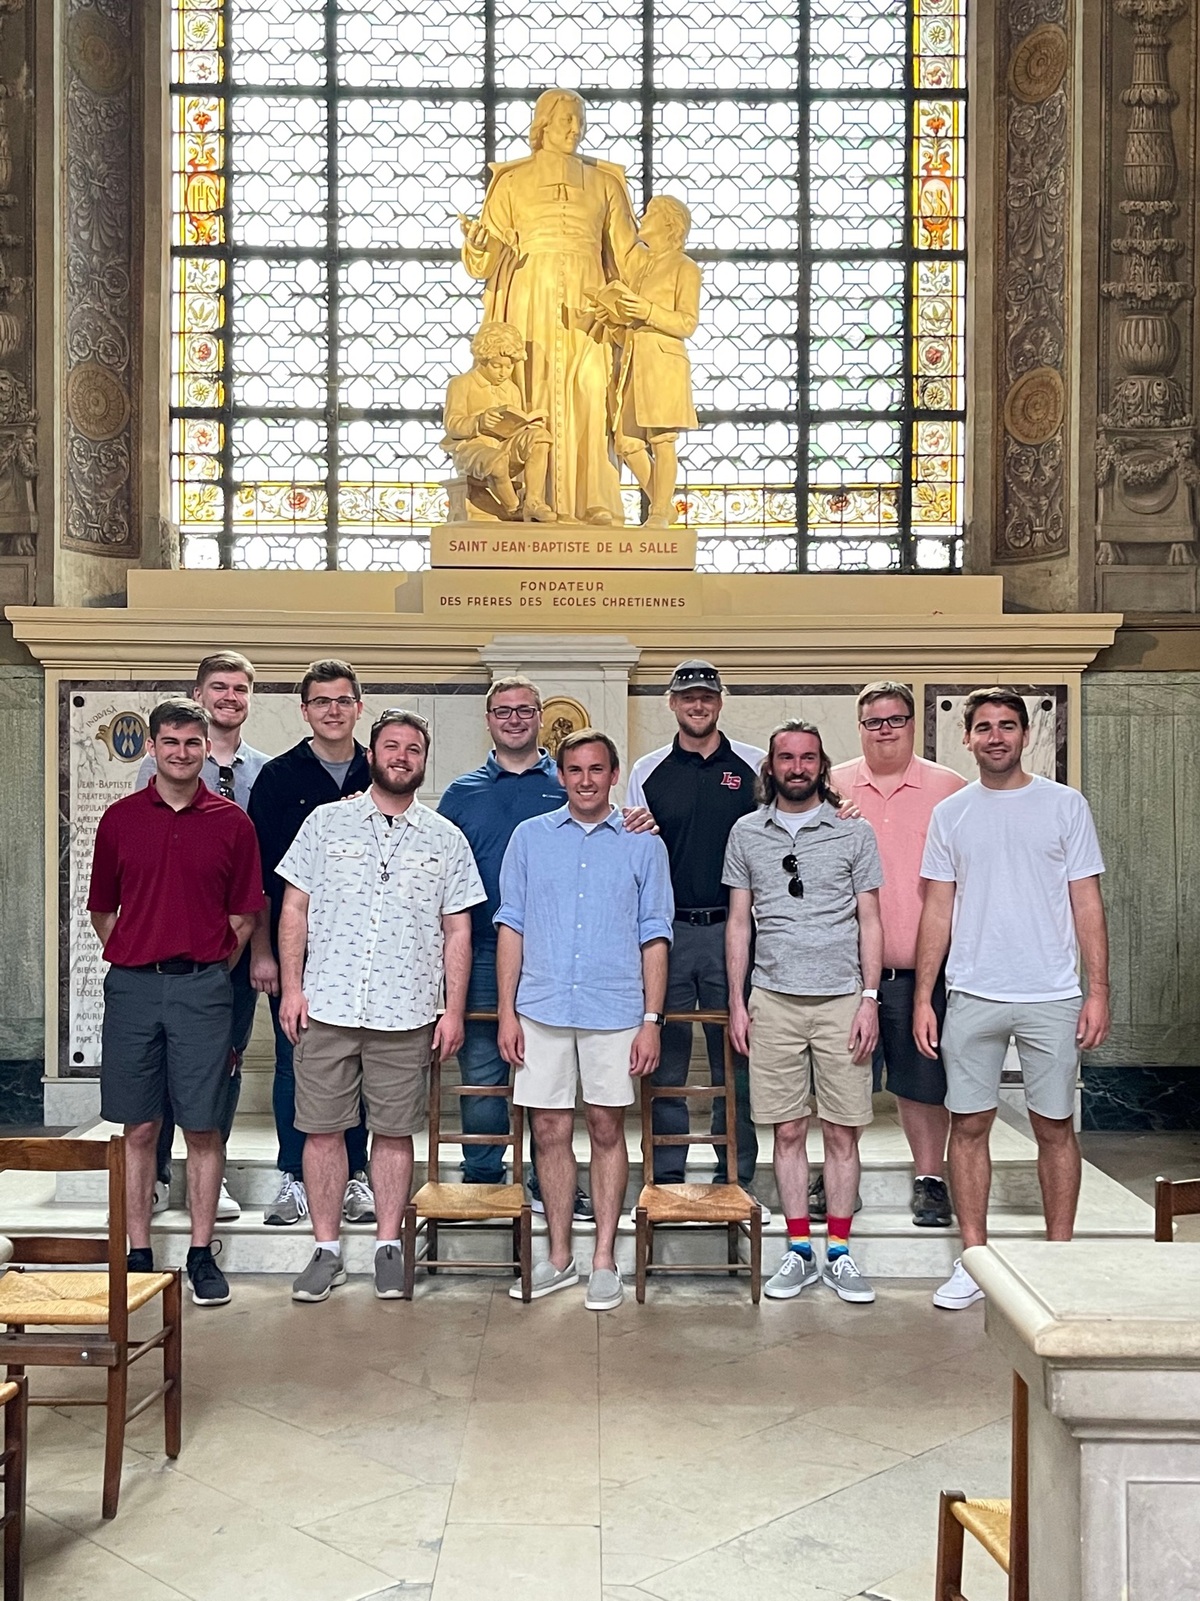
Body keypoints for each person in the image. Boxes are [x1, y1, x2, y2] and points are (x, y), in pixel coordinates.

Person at [278, 710, 485, 1303]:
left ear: (424, 761)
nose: (401, 756)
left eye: (413, 749)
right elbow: (293, 910)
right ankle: (325, 1248)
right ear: (371, 754)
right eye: (390, 746)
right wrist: (293, 989)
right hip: (329, 1003)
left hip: (407, 1012)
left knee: (394, 1134)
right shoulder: (325, 823)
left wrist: (451, 1010)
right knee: (322, 1132)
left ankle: (388, 1245)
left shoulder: (446, 838)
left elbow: (457, 932)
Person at [914, 687, 1110, 1311]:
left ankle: (1057, 1258)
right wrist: (925, 996)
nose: (995, 736)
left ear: (1027, 735)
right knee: (969, 1125)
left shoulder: (1064, 806)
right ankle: (974, 1260)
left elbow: (1086, 902)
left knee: (1054, 1126)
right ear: (966, 738)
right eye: (983, 727)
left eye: (1006, 725)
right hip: (971, 990)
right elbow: (936, 911)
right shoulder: (952, 814)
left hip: (1051, 991)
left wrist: (1097, 991)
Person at [88, 698, 264, 1308]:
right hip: (134, 986)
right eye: (171, 742)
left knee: (204, 1123)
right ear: (153, 748)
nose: (183, 753)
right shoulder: (119, 819)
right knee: (139, 1123)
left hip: (203, 988)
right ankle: (137, 1250)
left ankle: (199, 1251)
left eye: (194, 743)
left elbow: (244, 914)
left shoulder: (232, 824)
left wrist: (210, 966)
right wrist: (143, 953)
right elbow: (102, 911)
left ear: (205, 748)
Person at [496, 729, 673, 1311]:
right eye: (575, 769)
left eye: (597, 769)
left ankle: (603, 1258)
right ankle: (558, 1255)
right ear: (562, 776)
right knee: (547, 1130)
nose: (586, 780)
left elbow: (655, 934)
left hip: (615, 1006)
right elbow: (512, 927)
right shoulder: (530, 839)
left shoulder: (644, 843)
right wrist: (506, 1012)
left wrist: (651, 1018)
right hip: (542, 1004)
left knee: (604, 1127)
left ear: (614, 774)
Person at [724, 721, 884, 1305]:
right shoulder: (746, 833)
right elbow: (739, 922)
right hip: (773, 997)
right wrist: (738, 1000)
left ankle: (838, 1251)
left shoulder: (852, 833)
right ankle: (797, 1249)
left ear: (822, 766)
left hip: (843, 999)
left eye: (808, 758)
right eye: (786, 758)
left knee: (843, 1131)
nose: (797, 767)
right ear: (770, 767)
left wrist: (870, 998)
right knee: (787, 1130)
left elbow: (871, 918)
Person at [437, 675, 595, 1223]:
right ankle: (483, 1179)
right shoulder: (461, 794)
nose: (513, 720)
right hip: (482, 951)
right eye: (502, 712)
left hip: (556, 957)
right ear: (488, 720)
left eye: (524, 711)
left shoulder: (568, 783)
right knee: (483, 1070)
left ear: (540, 716)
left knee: (552, 1071)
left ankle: (549, 1183)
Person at [459, 87, 639, 524]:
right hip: (529, 292)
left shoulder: (605, 184)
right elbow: (487, 259)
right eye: (565, 121)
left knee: (592, 390)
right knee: (532, 389)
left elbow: (630, 256)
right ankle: (532, 501)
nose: (574, 129)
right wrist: (478, 244)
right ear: (542, 125)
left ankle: (594, 498)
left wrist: (670, 268)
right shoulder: (512, 182)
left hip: (589, 301)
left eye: (579, 121)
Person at [624, 660, 766, 1210]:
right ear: (672, 703)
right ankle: (666, 1173)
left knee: (738, 1056)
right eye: (688, 697)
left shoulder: (753, 764)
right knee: (667, 1059)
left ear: (720, 701)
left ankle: (738, 1173)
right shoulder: (648, 769)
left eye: (707, 696)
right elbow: (637, 844)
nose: (698, 705)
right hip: (669, 930)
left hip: (737, 931)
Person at [134, 651, 268, 1223]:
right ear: (199, 693)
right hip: (173, 951)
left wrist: (248, 947)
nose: (229, 697)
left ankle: (211, 1171)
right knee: (161, 1064)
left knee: (222, 1064)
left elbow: (262, 873)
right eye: (219, 687)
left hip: (233, 949)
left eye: (240, 688)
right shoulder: (158, 768)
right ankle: (161, 1171)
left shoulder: (265, 771)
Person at [830, 681, 966, 1229]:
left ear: (912, 722)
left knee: (921, 1081)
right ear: (859, 726)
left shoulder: (950, 788)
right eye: (873, 721)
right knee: (844, 1077)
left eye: (895, 719)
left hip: (921, 969)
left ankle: (930, 1178)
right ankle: (838, 1177)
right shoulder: (832, 783)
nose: (885, 729)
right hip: (842, 970)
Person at [247, 659, 374, 1228]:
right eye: (321, 701)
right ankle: (295, 1175)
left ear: (358, 707)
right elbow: (263, 877)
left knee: (364, 1061)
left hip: (366, 951)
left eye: (342, 700)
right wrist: (264, 951)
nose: (332, 710)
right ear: (305, 711)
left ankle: (356, 1175)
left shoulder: (382, 770)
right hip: (296, 948)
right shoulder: (279, 777)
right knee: (294, 1060)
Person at [607, 195, 701, 527]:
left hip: (663, 362)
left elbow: (687, 323)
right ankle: (664, 504)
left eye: (649, 214)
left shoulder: (684, 267)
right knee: (627, 442)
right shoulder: (643, 265)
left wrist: (646, 311)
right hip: (633, 358)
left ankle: (660, 511)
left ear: (667, 224)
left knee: (662, 438)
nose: (641, 219)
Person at [441, 321, 555, 521]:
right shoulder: (461, 384)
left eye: (509, 366)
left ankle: (533, 502)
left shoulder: (511, 389)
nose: (503, 372)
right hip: (471, 450)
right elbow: (452, 424)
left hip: (503, 446)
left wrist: (526, 427)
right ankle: (513, 509)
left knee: (540, 438)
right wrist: (479, 422)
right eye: (496, 366)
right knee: (497, 461)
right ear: (482, 360)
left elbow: (512, 427)